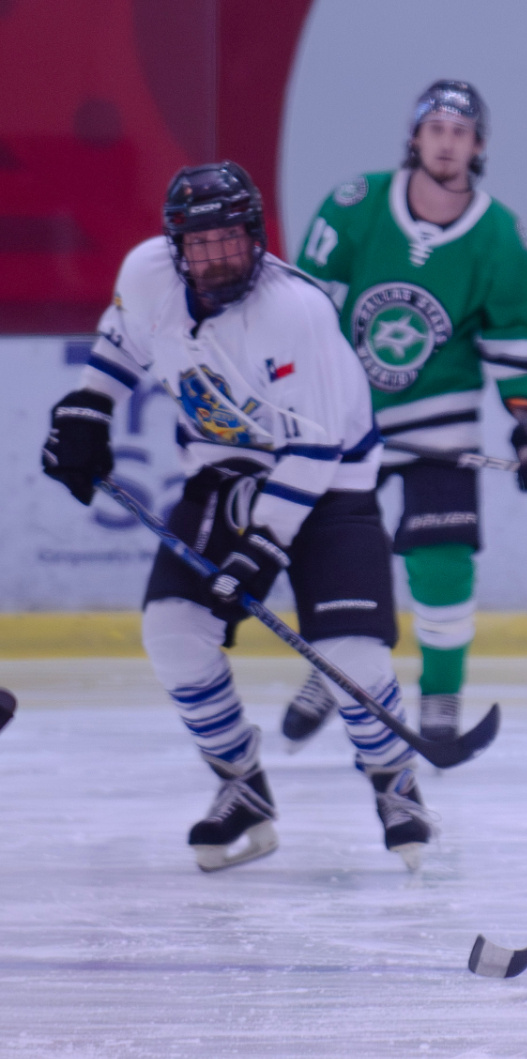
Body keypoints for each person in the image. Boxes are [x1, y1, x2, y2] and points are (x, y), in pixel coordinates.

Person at [41, 161, 431, 872]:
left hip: (331, 482)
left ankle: (393, 780)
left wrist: (264, 545)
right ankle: (241, 787)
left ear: (255, 236)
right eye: (201, 243)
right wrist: (90, 406)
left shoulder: (296, 311)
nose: (218, 256)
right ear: (176, 247)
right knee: (173, 631)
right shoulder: (147, 274)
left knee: (351, 655)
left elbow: (316, 448)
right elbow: (123, 340)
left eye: (231, 239)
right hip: (221, 472)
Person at [283, 80, 527, 749]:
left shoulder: (501, 236)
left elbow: (511, 348)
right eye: (436, 129)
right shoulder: (355, 204)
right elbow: (301, 312)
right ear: (415, 137)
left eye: (460, 133)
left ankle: (441, 697)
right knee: (336, 557)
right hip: (346, 415)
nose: (446, 144)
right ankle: (332, 670)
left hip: (440, 421)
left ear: (478, 147)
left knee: (443, 561)